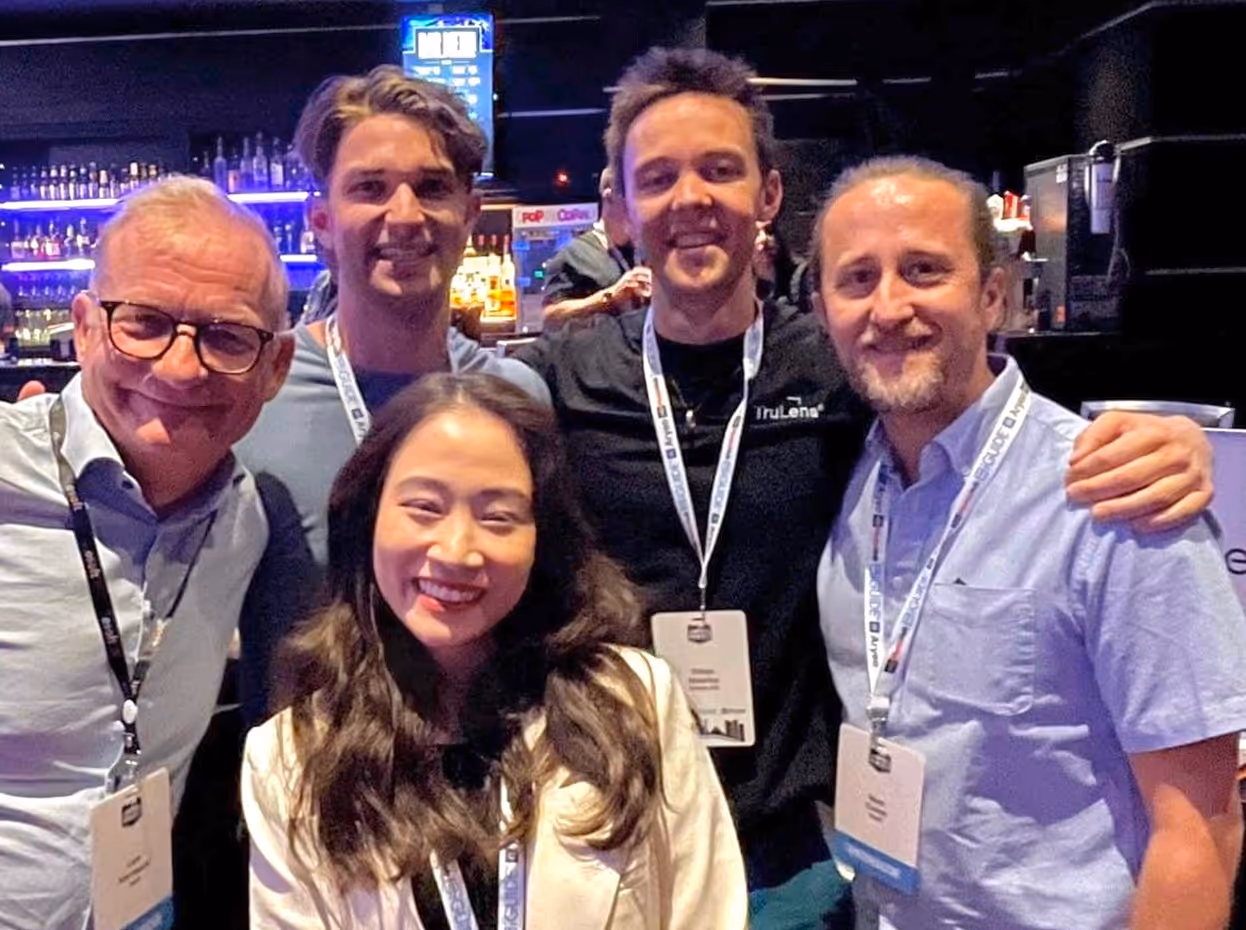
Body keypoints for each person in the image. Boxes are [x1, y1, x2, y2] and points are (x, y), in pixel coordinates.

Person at [515, 47, 1217, 930]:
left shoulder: (842, 367)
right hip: (610, 838)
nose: (691, 199)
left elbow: (968, 406)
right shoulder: (557, 381)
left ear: (768, 197)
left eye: (721, 170)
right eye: (658, 177)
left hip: (793, 862)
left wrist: (1179, 443)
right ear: (619, 206)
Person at [813, 155, 1246, 930]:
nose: (889, 305)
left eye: (923, 269)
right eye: (857, 279)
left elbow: (1203, 829)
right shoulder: (853, 480)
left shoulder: (1116, 497)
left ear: (991, 294)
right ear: (823, 310)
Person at [242, 372, 746, 929]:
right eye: (424, 507)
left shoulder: (635, 700)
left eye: (498, 517)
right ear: (368, 520)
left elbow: (707, 915)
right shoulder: (290, 758)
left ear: (541, 537)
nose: (457, 550)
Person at [0, 176, 294, 930]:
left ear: (276, 368)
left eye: (226, 336)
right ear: (86, 329)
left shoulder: (245, 523)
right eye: (145, 323)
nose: (180, 368)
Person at [237, 65, 549, 723]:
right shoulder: (254, 397)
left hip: (484, 785)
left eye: (431, 188)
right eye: (370, 188)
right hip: (300, 795)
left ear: (469, 213)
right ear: (321, 220)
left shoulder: (514, 399)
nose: (403, 215)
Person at [541, 166, 651, 328]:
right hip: (598, 350)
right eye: (631, 195)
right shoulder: (573, 255)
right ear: (609, 195)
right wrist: (610, 297)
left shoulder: (647, 250)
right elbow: (551, 318)